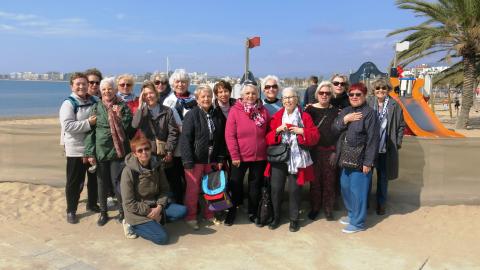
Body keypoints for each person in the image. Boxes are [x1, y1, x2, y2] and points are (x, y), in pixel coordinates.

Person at [265, 87, 319, 232]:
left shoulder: (305, 117)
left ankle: (294, 219)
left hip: (297, 159)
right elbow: (268, 139)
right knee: (276, 189)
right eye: (285, 98)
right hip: (279, 158)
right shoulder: (277, 117)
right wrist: (278, 130)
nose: (288, 100)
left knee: (295, 190)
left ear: (297, 99)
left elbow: (315, 137)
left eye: (291, 97)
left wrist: (302, 131)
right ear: (282, 101)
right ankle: (276, 217)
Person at [121, 134, 187, 245]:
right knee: (162, 238)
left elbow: (165, 189)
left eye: (146, 149)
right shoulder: (128, 172)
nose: (144, 152)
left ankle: (155, 221)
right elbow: (129, 203)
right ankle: (131, 225)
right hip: (137, 211)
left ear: (151, 149)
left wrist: (159, 207)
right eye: (140, 150)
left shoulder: (157, 166)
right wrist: (149, 211)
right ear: (135, 154)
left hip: (155, 205)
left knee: (182, 211)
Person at [84, 77, 133, 227]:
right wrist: (90, 153)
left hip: (118, 150)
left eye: (109, 89)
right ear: (100, 91)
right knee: (101, 182)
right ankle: (103, 213)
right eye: (104, 89)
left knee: (117, 182)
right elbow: (90, 132)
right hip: (101, 150)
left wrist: (119, 117)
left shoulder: (122, 106)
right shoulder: (96, 107)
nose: (107, 92)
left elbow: (129, 128)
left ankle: (122, 212)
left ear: (114, 90)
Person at [333, 82, 379, 234]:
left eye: (358, 94)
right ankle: (352, 215)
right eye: (351, 94)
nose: (354, 97)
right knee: (345, 187)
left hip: (360, 159)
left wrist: (368, 162)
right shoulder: (346, 110)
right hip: (345, 157)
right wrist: (346, 119)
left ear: (365, 95)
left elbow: (373, 139)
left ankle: (358, 222)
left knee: (357, 191)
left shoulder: (370, 113)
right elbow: (334, 128)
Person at [180, 85, 227, 230]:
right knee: (193, 191)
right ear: (197, 99)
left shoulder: (217, 114)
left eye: (208, 96)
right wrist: (188, 161)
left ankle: (210, 214)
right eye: (203, 96)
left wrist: (220, 158)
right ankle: (191, 216)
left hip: (212, 159)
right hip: (195, 161)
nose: (206, 99)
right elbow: (185, 139)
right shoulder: (191, 115)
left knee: (213, 189)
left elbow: (221, 139)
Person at [224, 83, 270, 226]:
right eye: (247, 93)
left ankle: (252, 212)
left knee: (255, 186)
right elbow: (230, 135)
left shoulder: (263, 111)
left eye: (253, 93)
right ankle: (232, 211)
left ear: (258, 95)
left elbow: (268, 131)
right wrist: (234, 155)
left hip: (259, 156)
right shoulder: (235, 111)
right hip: (240, 157)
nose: (250, 96)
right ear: (242, 95)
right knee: (235, 184)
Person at [132, 81, 181, 202]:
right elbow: (135, 125)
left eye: (151, 93)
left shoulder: (167, 110)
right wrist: (139, 106)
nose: (149, 96)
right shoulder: (142, 112)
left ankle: (173, 203)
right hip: (148, 153)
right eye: (146, 94)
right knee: (152, 181)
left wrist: (169, 151)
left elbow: (173, 132)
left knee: (170, 180)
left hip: (164, 152)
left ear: (156, 94)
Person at [59, 72, 98, 224]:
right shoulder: (68, 103)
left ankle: (92, 204)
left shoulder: (94, 100)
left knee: (94, 179)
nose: (82, 86)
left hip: (93, 148)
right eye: (78, 84)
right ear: (72, 86)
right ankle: (71, 210)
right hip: (76, 149)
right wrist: (89, 123)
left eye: (84, 83)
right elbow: (68, 126)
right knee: (75, 181)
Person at [367, 78, 405, 215]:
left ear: (388, 90)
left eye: (383, 88)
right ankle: (365, 203)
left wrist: (398, 142)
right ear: (374, 90)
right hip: (370, 149)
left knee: (383, 178)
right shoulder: (368, 103)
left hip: (386, 148)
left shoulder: (395, 105)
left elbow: (401, 125)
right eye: (378, 88)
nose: (380, 91)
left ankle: (381, 203)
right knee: (367, 177)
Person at [305, 81, 341, 221]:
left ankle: (328, 208)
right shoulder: (309, 110)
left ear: (331, 95)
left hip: (329, 151)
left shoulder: (336, 111)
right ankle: (315, 207)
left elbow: (339, 133)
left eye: (327, 93)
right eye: (321, 93)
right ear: (317, 94)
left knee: (329, 181)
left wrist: (335, 152)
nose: (324, 95)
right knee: (314, 182)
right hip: (313, 151)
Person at [162, 69, 196, 205]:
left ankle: (192, 202)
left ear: (188, 83)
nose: (180, 84)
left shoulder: (195, 99)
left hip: (191, 144)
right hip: (175, 146)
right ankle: (180, 201)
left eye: (183, 81)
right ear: (173, 84)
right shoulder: (168, 101)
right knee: (175, 177)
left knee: (191, 177)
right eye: (177, 81)